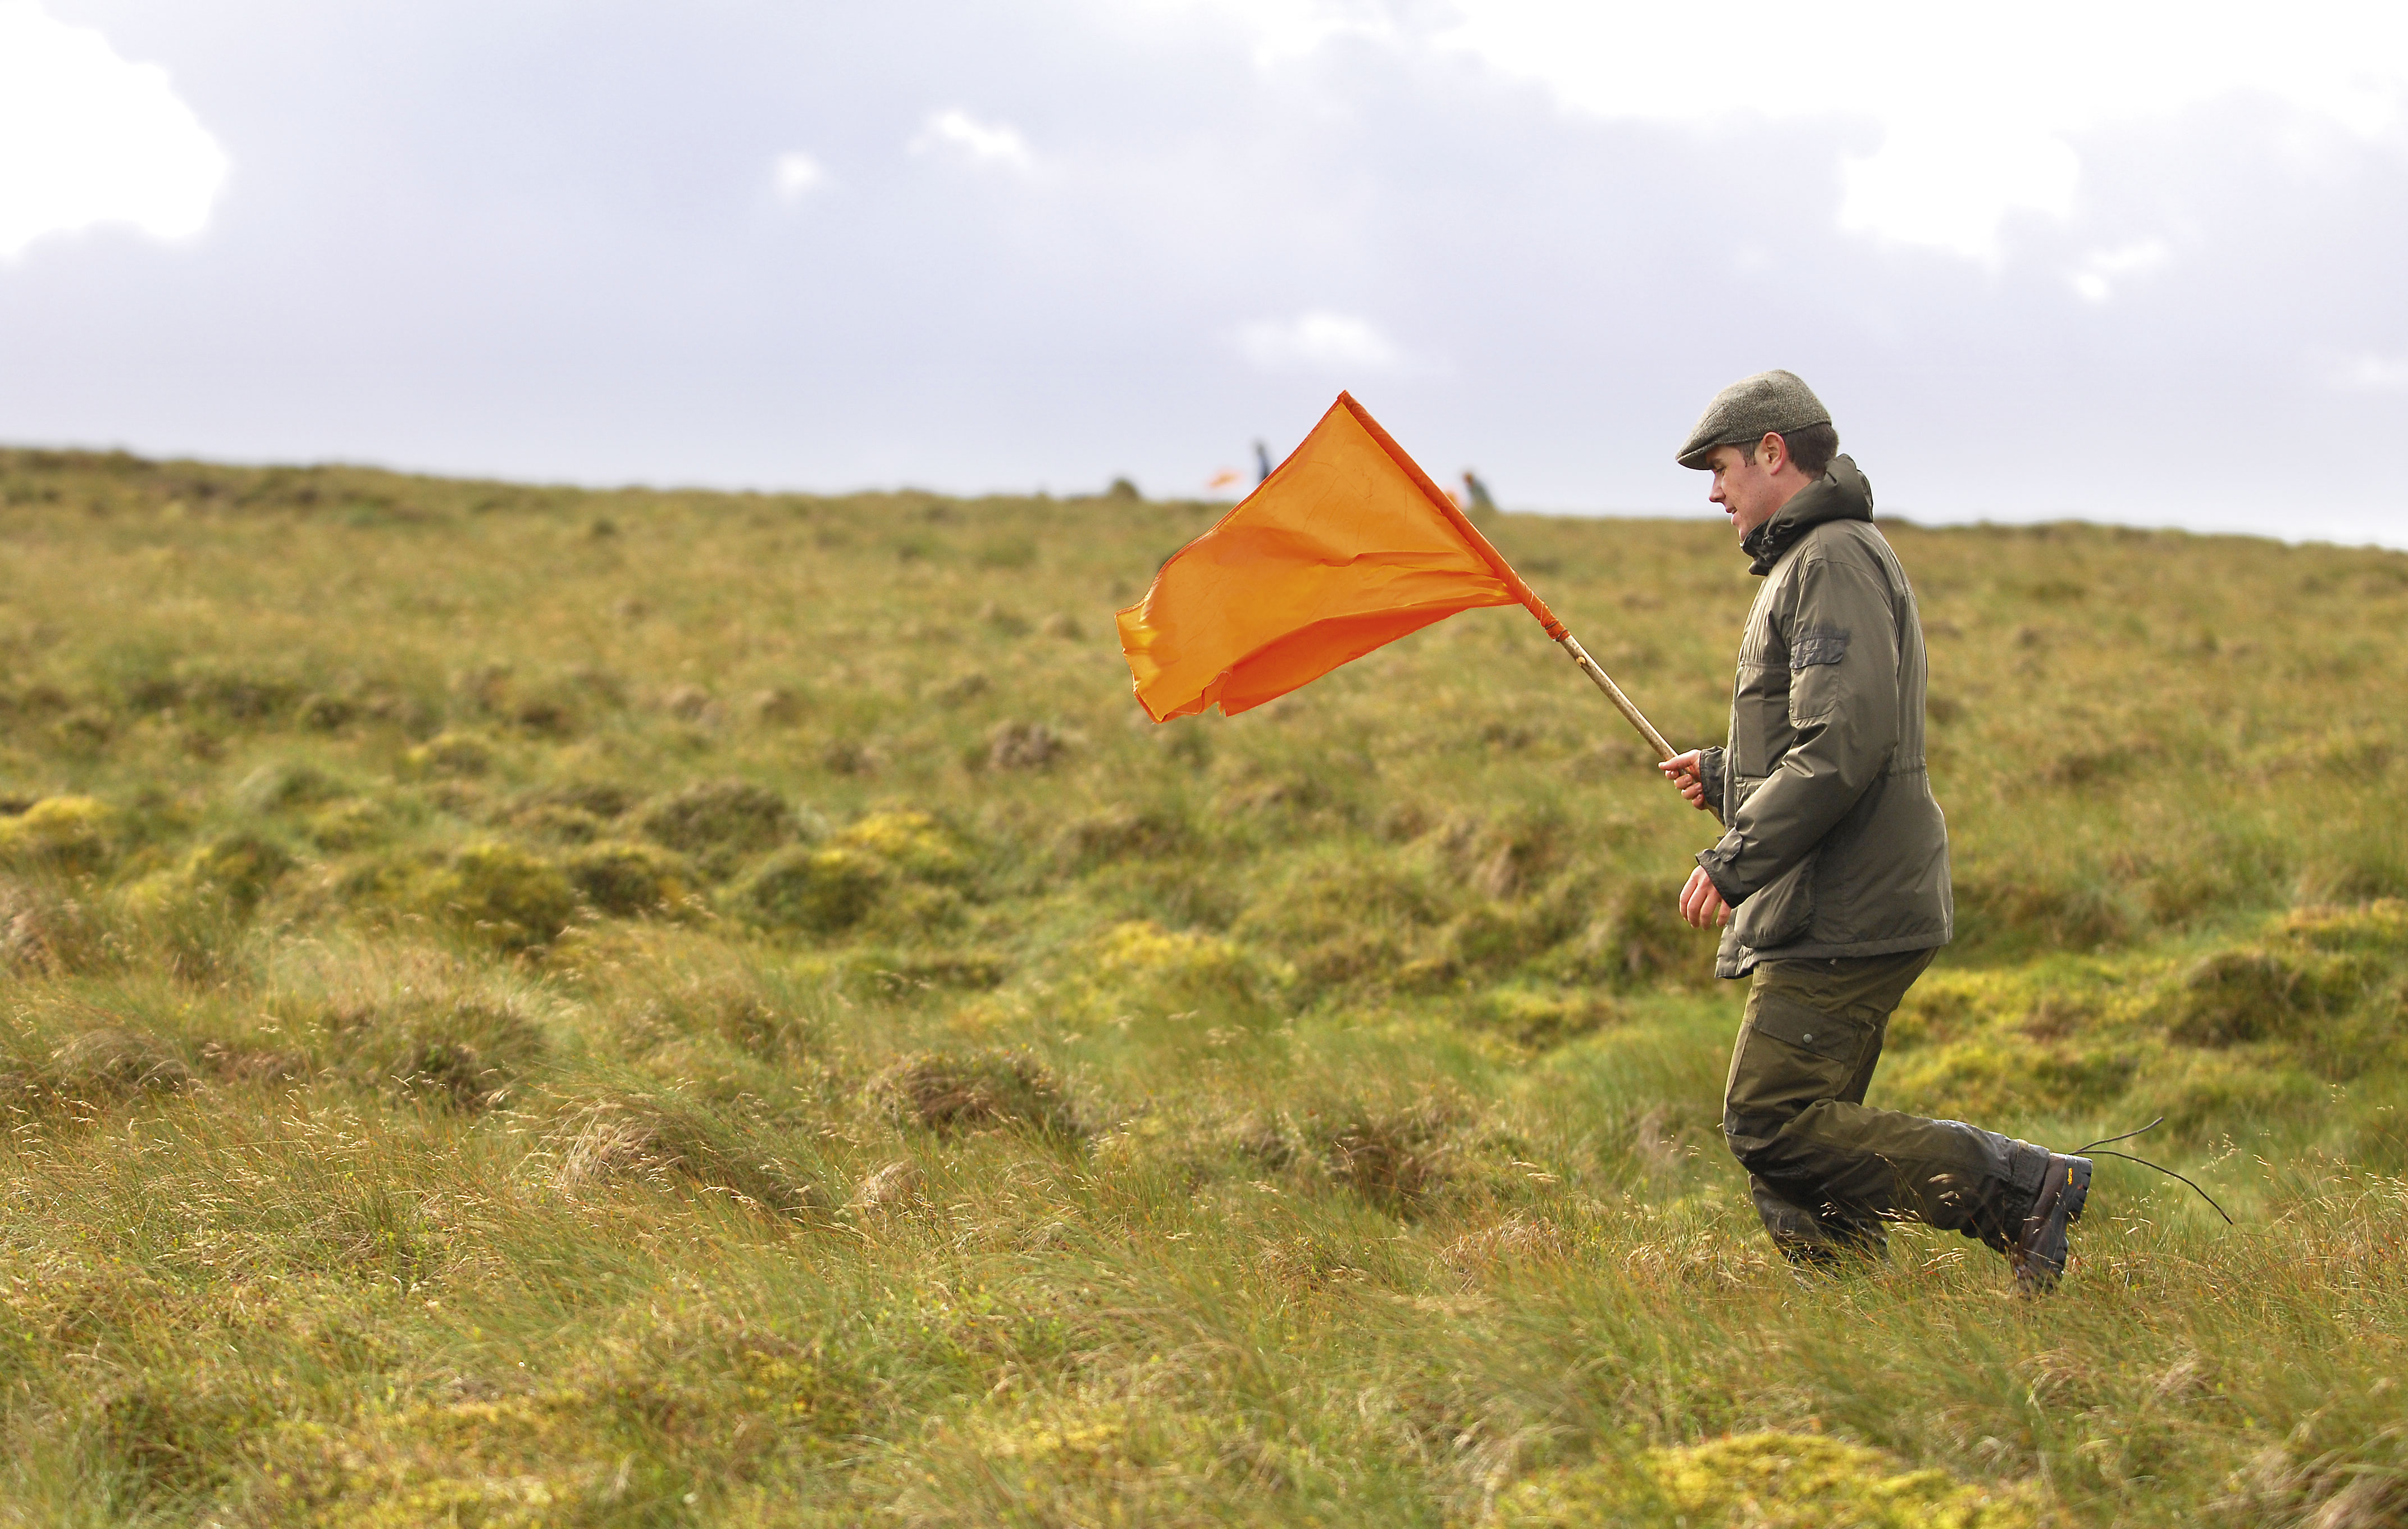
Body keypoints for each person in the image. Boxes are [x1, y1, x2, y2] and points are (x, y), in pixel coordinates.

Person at [1656, 370, 2090, 1291]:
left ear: (1774, 454)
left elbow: (1844, 746)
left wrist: (1734, 861)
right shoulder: (1812, 561)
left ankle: (2022, 1189)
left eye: (1722, 466)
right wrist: (1729, 775)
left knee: (1768, 1120)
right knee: (1793, 1140)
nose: (1713, 490)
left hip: (1847, 904)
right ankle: (1856, 1311)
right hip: (1837, 892)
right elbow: (1828, 739)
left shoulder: (1832, 561)